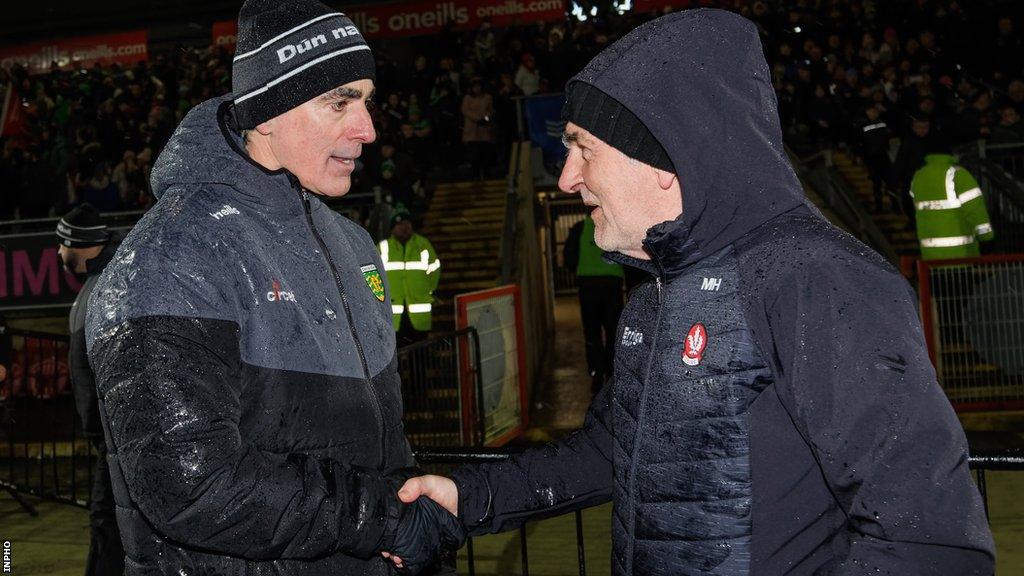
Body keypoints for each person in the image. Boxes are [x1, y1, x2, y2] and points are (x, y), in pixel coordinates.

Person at [393, 10, 995, 575]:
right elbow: (613, 450)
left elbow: (929, 541)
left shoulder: (817, 279)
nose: (568, 176)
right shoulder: (658, 289)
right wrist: (466, 498)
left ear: (662, 158)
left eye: (582, 147)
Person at [84, 1, 463, 574]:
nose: (368, 129)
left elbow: (382, 446)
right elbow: (190, 485)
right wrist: (389, 520)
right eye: (338, 102)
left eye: (366, 101)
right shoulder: (170, 256)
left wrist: (411, 526)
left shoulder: (355, 245)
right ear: (266, 113)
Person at [57, 203, 124, 576]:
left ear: (75, 244)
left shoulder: (105, 287)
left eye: (60, 244)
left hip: (116, 442)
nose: (57, 254)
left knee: (107, 529)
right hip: (111, 442)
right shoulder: (97, 285)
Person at [564, 215, 624, 394]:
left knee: (592, 331)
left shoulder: (579, 228)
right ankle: (611, 372)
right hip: (612, 284)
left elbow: (569, 257)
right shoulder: (615, 225)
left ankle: (596, 372)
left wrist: (578, 270)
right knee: (613, 329)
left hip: (587, 284)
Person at [911, 152, 994, 261]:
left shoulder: (918, 177)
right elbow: (975, 210)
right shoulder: (958, 174)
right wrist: (986, 237)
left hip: (929, 258)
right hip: (960, 255)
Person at [379, 206, 441, 346]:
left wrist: (427, 291)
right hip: (393, 317)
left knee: (419, 354)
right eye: (400, 224)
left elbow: (434, 269)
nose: (404, 227)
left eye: (407, 223)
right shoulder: (383, 248)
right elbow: (372, 275)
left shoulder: (423, 245)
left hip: (419, 314)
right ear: (393, 228)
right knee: (398, 355)